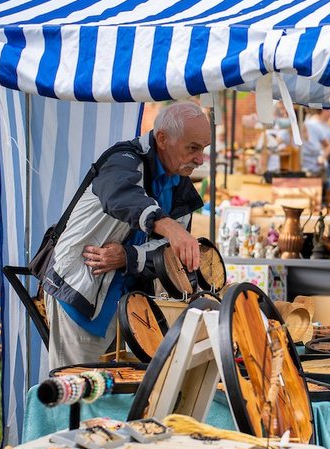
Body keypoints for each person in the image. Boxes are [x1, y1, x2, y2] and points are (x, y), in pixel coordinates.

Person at [42, 102, 209, 368]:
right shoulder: (123, 160)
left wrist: (128, 257)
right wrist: (168, 226)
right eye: (193, 148)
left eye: (203, 149)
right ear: (163, 139)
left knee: (115, 392)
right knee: (77, 392)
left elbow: (167, 253)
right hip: (81, 293)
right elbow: (121, 196)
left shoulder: (180, 185)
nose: (200, 159)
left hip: (129, 306)